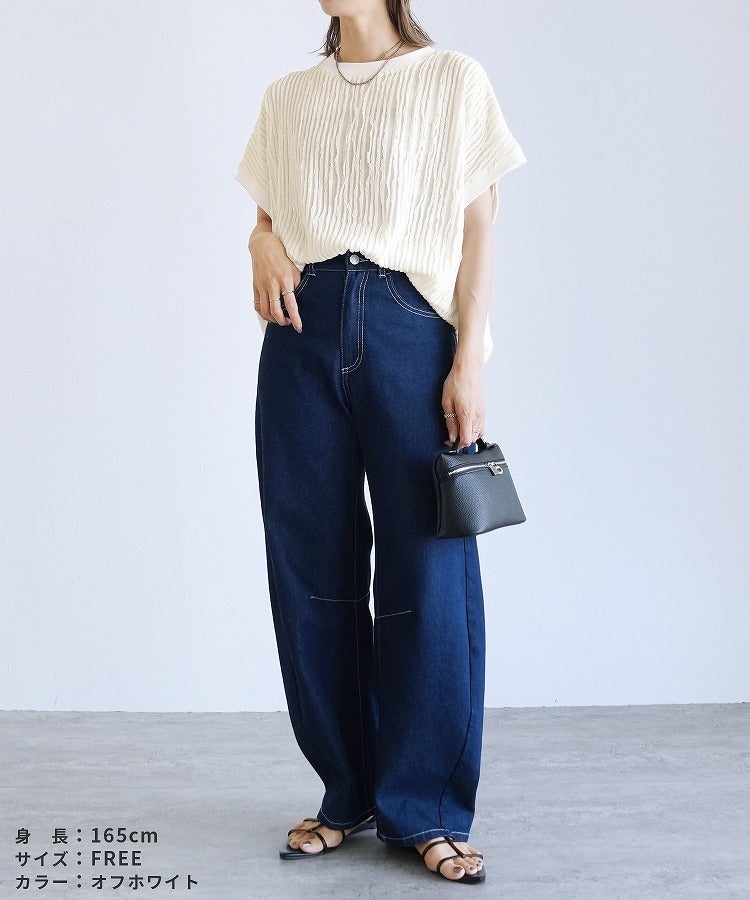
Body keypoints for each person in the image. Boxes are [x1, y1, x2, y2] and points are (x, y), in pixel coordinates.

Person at [234, 0, 526, 886]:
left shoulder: (451, 79)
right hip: (301, 334)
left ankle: (426, 808)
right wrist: (259, 241)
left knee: (428, 571)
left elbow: (480, 225)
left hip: (409, 328)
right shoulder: (288, 97)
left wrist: (467, 362)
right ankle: (347, 791)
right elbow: (269, 218)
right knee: (309, 568)